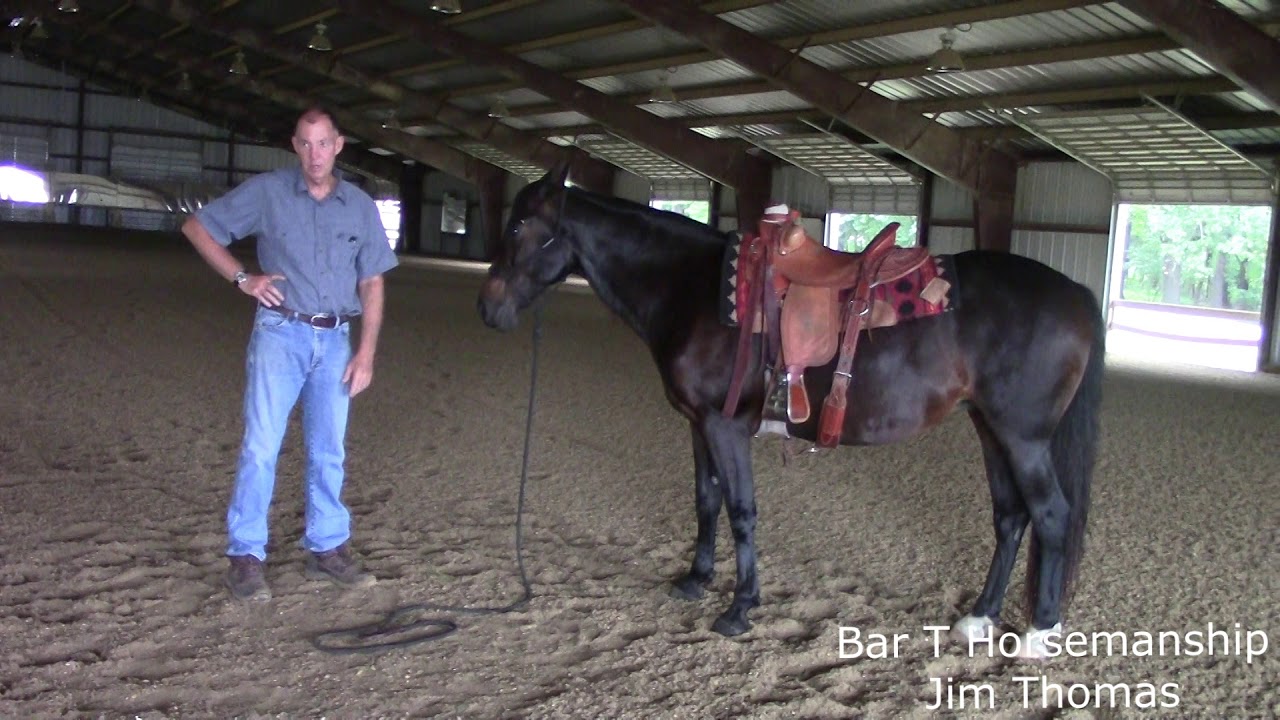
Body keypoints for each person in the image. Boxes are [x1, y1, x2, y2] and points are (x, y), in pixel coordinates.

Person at [182, 106, 399, 602]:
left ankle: (326, 547)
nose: (315, 153)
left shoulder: (360, 207)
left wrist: (366, 352)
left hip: (336, 338)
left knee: (329, 450)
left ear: (339, 145)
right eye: (305, 143)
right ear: (294, 145)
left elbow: (372, 280)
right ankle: (245, 555)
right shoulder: (268, 193)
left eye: (324, 143)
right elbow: (198, 228)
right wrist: (243, 278)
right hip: (282, 334)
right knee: (261, 445)